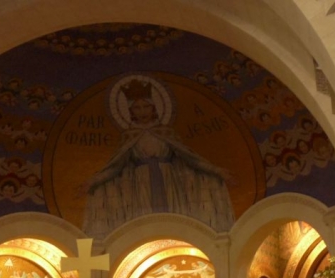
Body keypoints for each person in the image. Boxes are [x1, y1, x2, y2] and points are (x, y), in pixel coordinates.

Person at [80, 74, 235, 236]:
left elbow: (191, 159)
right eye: (137, 108)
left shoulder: (166, 133)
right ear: (130, 111)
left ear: (154, 108)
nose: (142, 111)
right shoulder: (129, 136)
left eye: (146, 107)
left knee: (173, 221)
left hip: (168, 181)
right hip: (141, 185)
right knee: (145, 225)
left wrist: (217, 171)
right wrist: (92, 181)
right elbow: (115, 167)